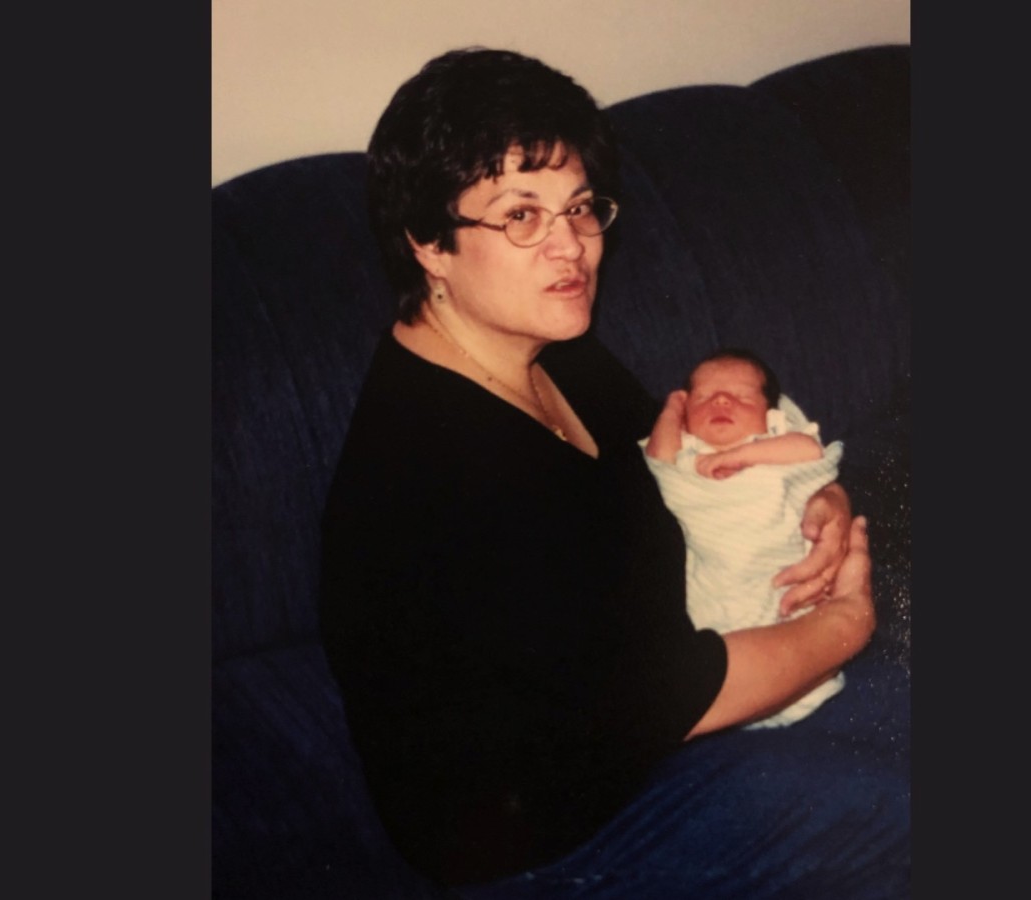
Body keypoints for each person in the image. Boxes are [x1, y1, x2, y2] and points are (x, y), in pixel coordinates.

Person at [319, 47, 908, 898]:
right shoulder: (433, 470)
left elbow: (688, 463)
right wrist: (848, 624)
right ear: (429, 243)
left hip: (669, 714)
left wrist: (822, 494)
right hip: (557, 836)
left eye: (579, 207)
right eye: (522, 216)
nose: (572, 247)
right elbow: (657, 696)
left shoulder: (548, 346)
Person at [642, 348, 849, 728]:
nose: (722, 401)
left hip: (774, 564)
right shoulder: (686, 452)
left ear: (771, 415)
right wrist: (672, 408)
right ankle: (739, 683)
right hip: (712, 570)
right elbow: (658, 461)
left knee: (787, 609)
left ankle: (784, 673)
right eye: (704, 397)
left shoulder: (775, 441)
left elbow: (810, 451)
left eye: (740, 396)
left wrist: (742, 456)